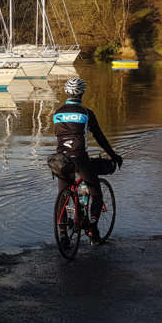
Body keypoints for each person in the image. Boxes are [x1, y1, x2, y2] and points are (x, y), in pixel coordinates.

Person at [52, 77, 123, 241]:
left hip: (60, 159)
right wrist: (114, 156)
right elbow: (99, 137)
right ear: (82, 93)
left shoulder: (58, 113)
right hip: (79, 157)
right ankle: (92, 228)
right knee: (96, 193)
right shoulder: (86, 113)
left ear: (66, 93)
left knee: (63, 195)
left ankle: (63, 234)